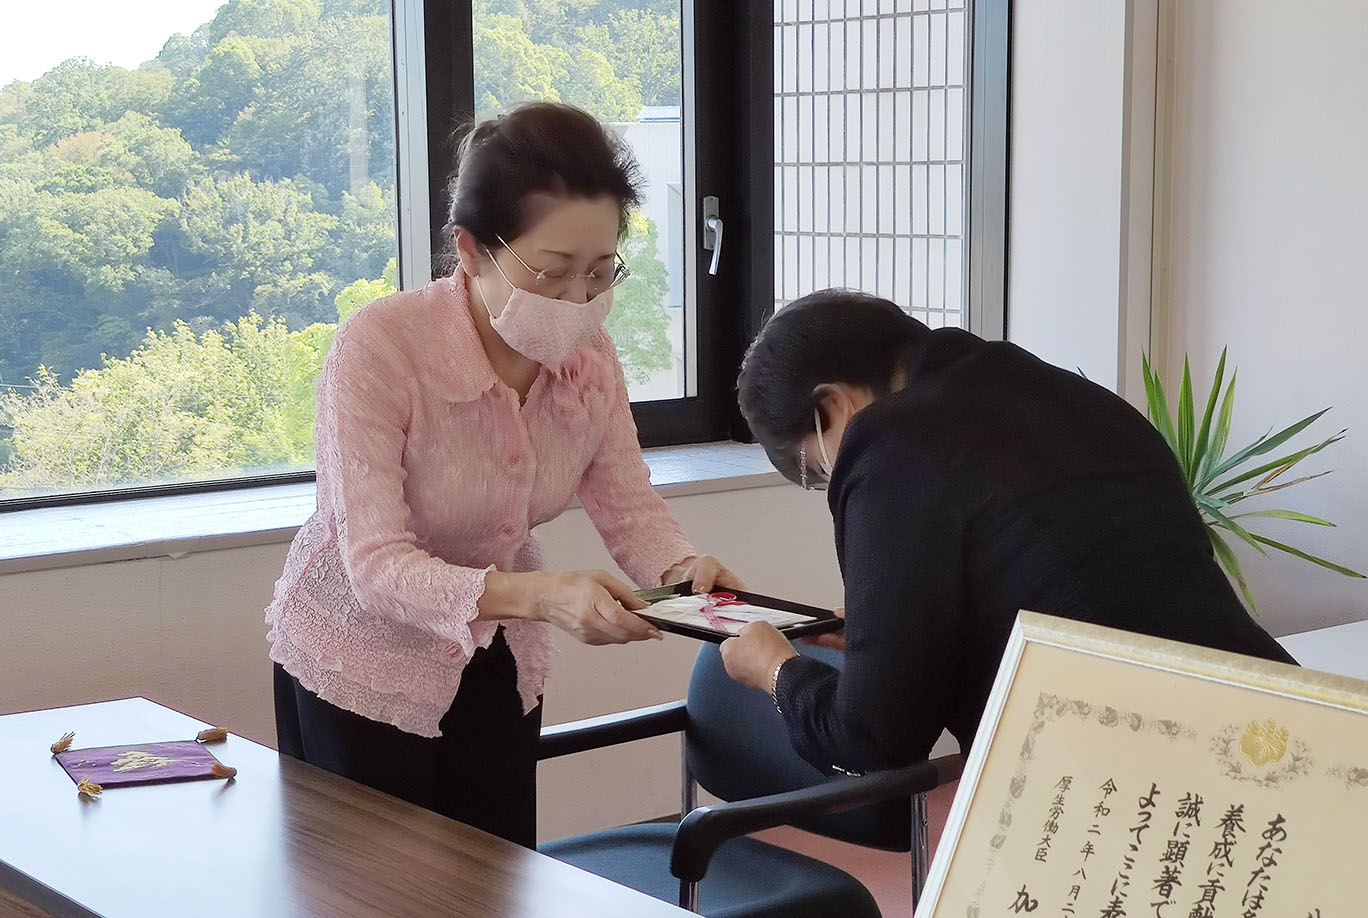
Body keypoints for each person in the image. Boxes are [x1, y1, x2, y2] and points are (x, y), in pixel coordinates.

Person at [265, 102, 743, 848]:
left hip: (498, 654)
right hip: (358, 662)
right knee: (377, 889)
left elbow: (628, 505)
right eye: (552, 273)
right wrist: (544, 596)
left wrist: (681, 573)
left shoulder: (590, 357)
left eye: (600, 272)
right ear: (471, 250)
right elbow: (375, 567)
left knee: (497, 876)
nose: (579, 301)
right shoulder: (380, 348)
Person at [721, 289, 1295, 777]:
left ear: (833, 405)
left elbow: (873, 737)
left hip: (1130, 770)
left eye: (813, 471)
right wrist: (893, 640)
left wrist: (776, 670)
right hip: (1275, 724)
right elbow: (1064, 578)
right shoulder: (1067, 393)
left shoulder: (889, 441)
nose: (830, 480)